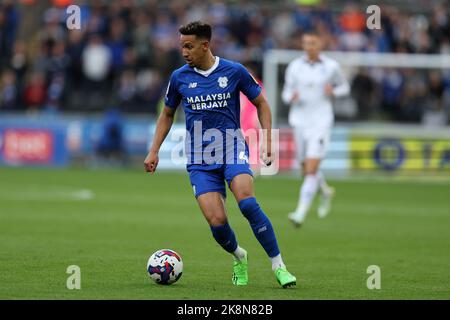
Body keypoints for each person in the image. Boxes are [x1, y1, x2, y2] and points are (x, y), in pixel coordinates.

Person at [144, 21, 296, 288]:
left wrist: (268, 140)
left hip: (231, 148)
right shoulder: (179, 77)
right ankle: (239, 256)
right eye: (182, 46)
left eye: (189, 46)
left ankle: (279, 265)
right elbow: (167, 114)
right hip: (200, 159)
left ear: (205, 45)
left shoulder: (234, 71)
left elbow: (261, 102)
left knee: (247, 202)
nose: (184, 52)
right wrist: (154, 150)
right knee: (217, 221)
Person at [282, 30, 350, 227]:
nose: (309, 46)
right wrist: (290, 97)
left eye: (313, 43)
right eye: (306, 43)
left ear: (320, 45)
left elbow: (344, 87)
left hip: (321, 121)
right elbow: (286, 92)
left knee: (311, 169)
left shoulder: (331, 66)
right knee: (306, 169)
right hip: (299, 120)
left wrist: (334, 91)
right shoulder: (295, 67)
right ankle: (326, 192)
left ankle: (300, 214)